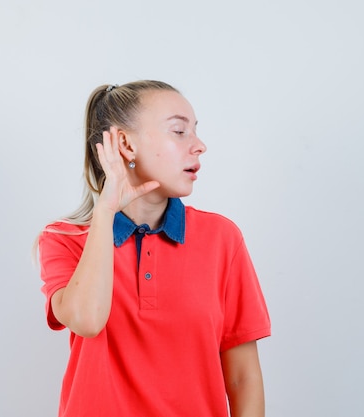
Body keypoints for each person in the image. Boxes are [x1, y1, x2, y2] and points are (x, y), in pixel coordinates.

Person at [38, 80, 271, 417]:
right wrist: (104, 213)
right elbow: (87, 320)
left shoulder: (222, 238)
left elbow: (242, 378)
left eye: (195, 131)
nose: (199, 145)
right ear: (125, 145)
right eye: (179, 131)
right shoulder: (63, 239)